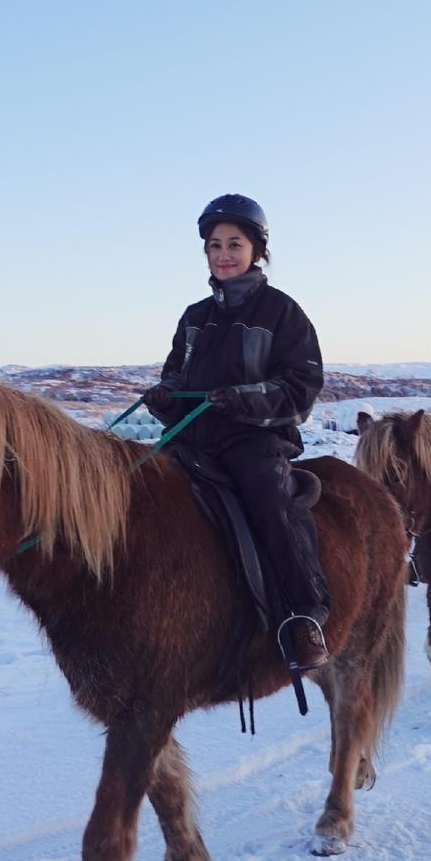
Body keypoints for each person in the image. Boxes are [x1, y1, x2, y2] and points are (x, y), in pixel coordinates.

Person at [142, 194, 331, 671]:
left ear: (257, 250)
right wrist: (166, 396)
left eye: (234, 244)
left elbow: (301, 386)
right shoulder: (194, 316)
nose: (223, 254)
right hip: (193, 440)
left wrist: (245, 398)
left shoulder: (282, 312)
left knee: (268, 499)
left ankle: (304, 614)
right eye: (214, 245)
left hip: (255, 439)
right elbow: (176, 375)